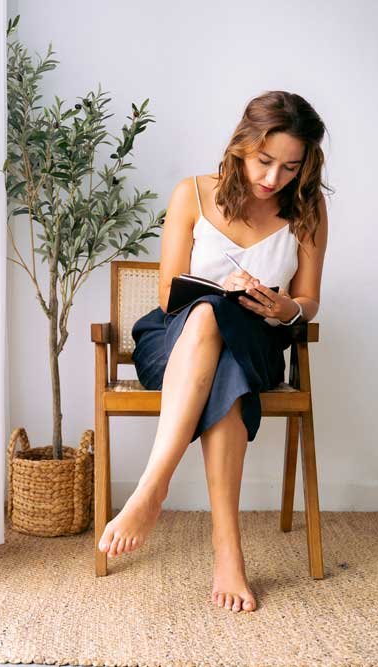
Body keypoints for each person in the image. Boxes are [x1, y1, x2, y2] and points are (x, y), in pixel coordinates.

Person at [96, 91, 331, 613]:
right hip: (175, 342)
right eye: (265, 161)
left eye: (290, 167)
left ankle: (151, 490)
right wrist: (220, 288)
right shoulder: (192, 193)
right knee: (206, 316)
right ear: (242, 144)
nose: (273, 179)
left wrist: (282, 306)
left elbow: (310, 300)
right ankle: (226, 551)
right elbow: (165, 295)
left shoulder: (308, 209)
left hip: (258, 343)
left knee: (231, 359)